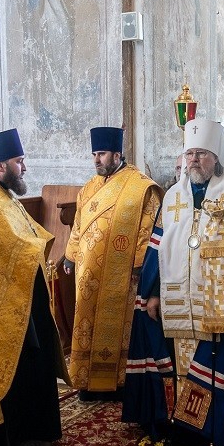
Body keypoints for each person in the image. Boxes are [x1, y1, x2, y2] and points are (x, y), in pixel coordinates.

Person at [124, 120, 224, 446]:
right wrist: (152, 292)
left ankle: (208, 432)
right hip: (175, 297)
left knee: (214, 365)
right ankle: (177, 426)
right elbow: (157, 247)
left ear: (215, 157)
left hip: (218, 303)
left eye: (201, 153)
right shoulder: (173, 197)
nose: (194, 160)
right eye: (190, 153)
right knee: (177, 365)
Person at [0, 129, 69, 446]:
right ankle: (11, 435)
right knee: (16, 365)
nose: (24, 168)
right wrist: (40, 245)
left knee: (32, 361)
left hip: (20, 295)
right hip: (1, 302)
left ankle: (33, 432)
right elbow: (9, 244)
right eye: (19, 161)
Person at [61, 127, 162, 400]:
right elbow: (78, 225)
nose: (97, 160)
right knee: (87, 326)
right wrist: (70, 255)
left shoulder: (141, 187)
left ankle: (118, 383)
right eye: (94, 154)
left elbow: (149, 229)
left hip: (122, 274)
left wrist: (140, 264)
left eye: (102, 154)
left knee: (119, 328)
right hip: (88, 273)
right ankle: (88, 382)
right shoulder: (89, 188)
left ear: (117, 154)